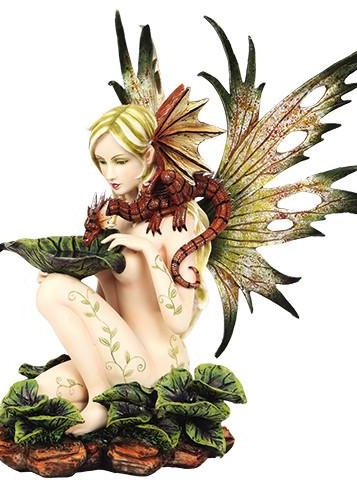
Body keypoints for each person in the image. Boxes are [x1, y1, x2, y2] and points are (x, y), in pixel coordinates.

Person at [34, 104, 211, 436]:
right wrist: (75, 275)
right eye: (102, 162)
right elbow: (109, 307)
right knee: (40, 392)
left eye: (120, 161)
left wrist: (150, 255)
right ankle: (104, 396)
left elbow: (180, 321)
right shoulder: (111, 217)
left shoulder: (177, 222)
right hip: (117, 356)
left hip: (156, 368)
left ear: (147, 156)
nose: (109, 174)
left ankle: (101, 401)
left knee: (52, 291)